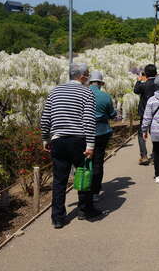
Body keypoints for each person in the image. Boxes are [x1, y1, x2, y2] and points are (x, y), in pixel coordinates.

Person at [41, 63, 100, 229]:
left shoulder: (54, 92)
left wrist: (46, 138)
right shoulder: (86, 92)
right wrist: (90, 144)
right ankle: (85, 210)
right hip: (78, 140)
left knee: (59, 180)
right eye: (87, 74)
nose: (88, 77)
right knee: (84, 173)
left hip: (58, 140)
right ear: (81, 76)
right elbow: (88, 120)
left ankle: (58, 218)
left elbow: (46, 118)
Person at [89, 71, 117, 203]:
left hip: (83, 133)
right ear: (100, 83)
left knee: (84, 161)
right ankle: (95, 191)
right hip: (101, 131)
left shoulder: (82, 94)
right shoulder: (105, 96)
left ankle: (84, 188)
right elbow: (112, 114)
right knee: (98, 162)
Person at [133, 64, 158, 165]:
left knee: (141, 134)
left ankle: (144, 156)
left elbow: (135, 90)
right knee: (155, 134)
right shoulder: (158, 84)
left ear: (146, 74)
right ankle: (156, 155)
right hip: (156, 113)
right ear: (156, 73)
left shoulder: (143, 85)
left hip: (144, 113)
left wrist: (139, 80)